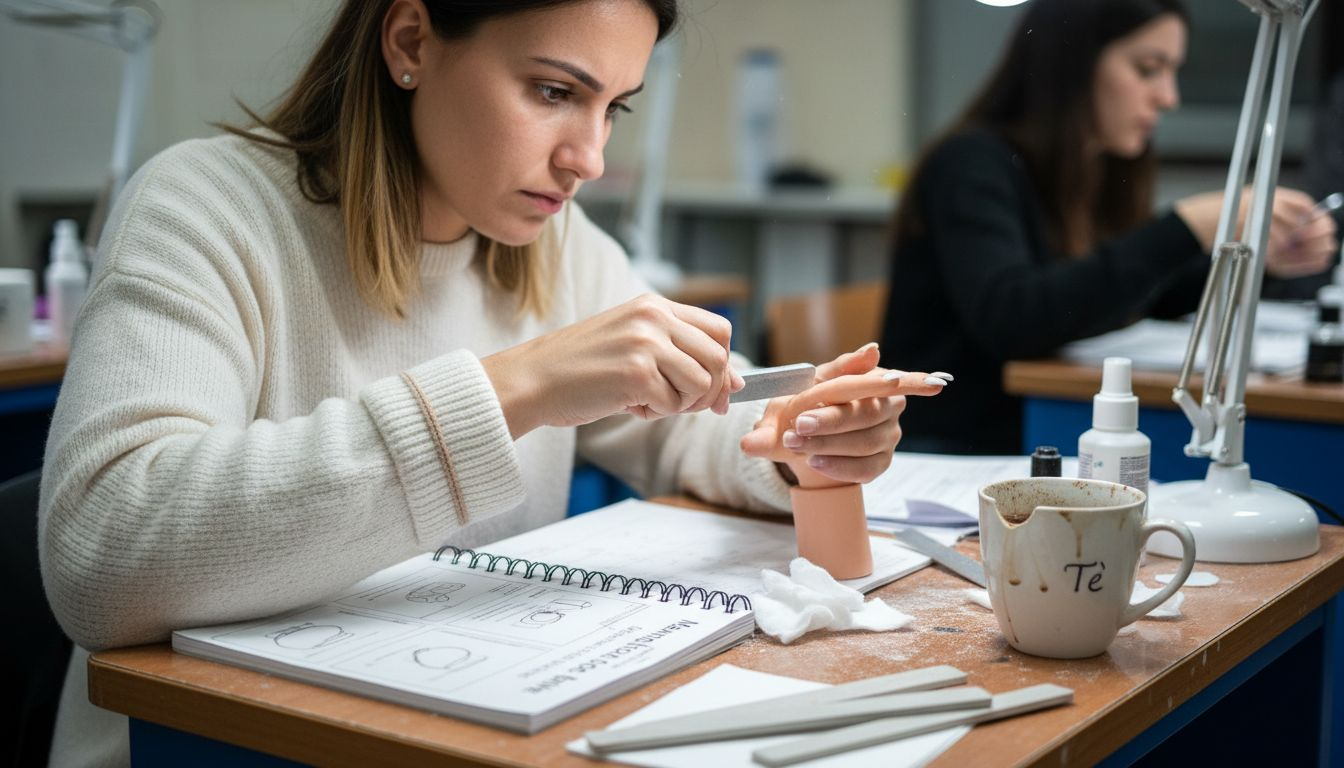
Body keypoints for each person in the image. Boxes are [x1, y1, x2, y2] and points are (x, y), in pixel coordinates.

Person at [37, 2, 944, 766]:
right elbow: (99, 558)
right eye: (555, 92)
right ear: (411, 44)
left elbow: (686, 421)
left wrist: (793, 443)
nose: (587, 157)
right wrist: (515, 387)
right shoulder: (205, 208)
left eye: (613, 109)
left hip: (458, 728)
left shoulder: (560, 251)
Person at [879, 0, 1337, 455]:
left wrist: (1262, 263)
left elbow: (1142, 293)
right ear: (1072, 64)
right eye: (1148, 68)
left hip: (1038, 435)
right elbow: (1013, 316)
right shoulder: (971, 164)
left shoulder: (1094, 172)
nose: (1168, 97)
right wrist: (1185, 226)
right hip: (957, 450)